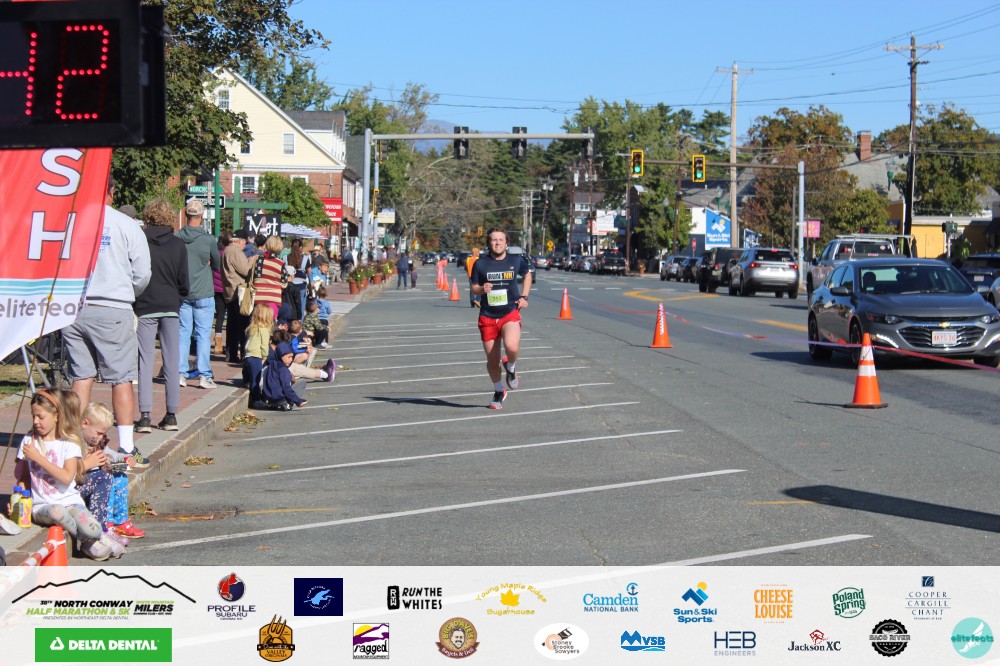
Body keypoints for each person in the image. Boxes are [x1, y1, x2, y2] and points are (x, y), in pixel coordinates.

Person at [63, 175, 151, 466]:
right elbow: (142, 273)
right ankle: (126, 446)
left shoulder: (71, 221)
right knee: (121, 378)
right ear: (112, 190)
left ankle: (73, 442)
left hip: (74, 306)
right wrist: (127, 291)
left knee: (81, 376)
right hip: (113, 305)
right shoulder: (126, 225)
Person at [14, 391, 117, 560]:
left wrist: (38, 458)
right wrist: (18, 499)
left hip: (71, 501)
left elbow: (67, 477)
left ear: (56, 416)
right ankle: (89, 541)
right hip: (43, 506)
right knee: (57, 512)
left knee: (93, 528)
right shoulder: (29, 441)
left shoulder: (69, 442)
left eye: (41, 417)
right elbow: (24, 476)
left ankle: (96, 537)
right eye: (33, 416)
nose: (35, 421)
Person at [134, 199, 189, 433]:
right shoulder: (178, 244)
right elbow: (184, 281)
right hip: (170, 305)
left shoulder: (140, 242)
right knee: (172, 361)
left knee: (145, 361)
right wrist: (178, 299)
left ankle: (145, 415)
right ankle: (171, 414)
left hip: (146, 304)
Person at [469, 228, 531, 409]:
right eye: (494, 240)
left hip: (509, 312)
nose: (497, 243)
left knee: (511, 346)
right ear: (489, 243)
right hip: (488, 316)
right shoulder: (480, 264)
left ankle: (510, 366)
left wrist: (524, 296)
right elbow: (474, 287)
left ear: (506, 242)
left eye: (501, 239)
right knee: (492, 362)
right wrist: (482, 289)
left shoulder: (516, 260)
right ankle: (499, 391)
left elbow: (527, 275)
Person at [78, 402, 140, 543]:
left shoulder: (96, 441)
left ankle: (120, 520)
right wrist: (88, 461)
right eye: (98, 433)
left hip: (98, 479)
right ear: (85, 423)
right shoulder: (77, 443)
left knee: (121, 477)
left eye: (103, 434)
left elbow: (110, 453)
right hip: (83, 482)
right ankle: (107, 523)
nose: (100, 437)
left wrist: (124, 458)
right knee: (107, 480)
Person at [176, 199, 221, 389]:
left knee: (183, 333)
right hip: (203, 291)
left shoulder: (176, 237)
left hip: (183, 292)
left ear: (186, 215)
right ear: (201, 216)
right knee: (203, 335)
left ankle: (180, 373)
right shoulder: (208, 240)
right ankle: (204, 375)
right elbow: (217, 264)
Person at [222, 228, 253, 363]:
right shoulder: (235, 251)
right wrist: (251, 261)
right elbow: (245, 270)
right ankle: (241, 353)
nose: (245, 245)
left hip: (229, 291)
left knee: (232, 325)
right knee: (241, 325)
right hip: (238, 292)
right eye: (244, 242)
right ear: (239, 241)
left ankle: (231, 352)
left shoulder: (226, 250)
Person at [259, 341, 308, 410]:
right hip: (280, 398)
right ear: (281, 356)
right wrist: (298, 401)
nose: (291, 360)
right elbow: (286, 388)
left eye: (292, 357)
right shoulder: (283, 369)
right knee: (302, 382)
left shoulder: (271, 365)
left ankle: (275, 404)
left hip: (270, 398)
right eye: (289, 357)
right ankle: (289, 403)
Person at [243, 304, 274, 407]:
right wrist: (265, 356)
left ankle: (247, 383)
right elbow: (264, 345)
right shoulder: (264, 330)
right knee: (256, 379)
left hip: (248, 355)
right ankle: (256, 400)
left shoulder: (253, 327)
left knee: (250, 374)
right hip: (256, 356)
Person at [252, 236, 288, 319]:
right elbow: (284, 284)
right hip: (273, 298)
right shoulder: (280, 263)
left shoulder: (257, 259)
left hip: (258, 296)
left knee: (257, 320)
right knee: (270, 321)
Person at [213, 232, 229, 355]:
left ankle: (217, 343)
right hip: (228, 289)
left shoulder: (216, 254)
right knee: (231, 318)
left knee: (220, 316)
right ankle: (229, 345)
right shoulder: (230, 254)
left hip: (216, 288)